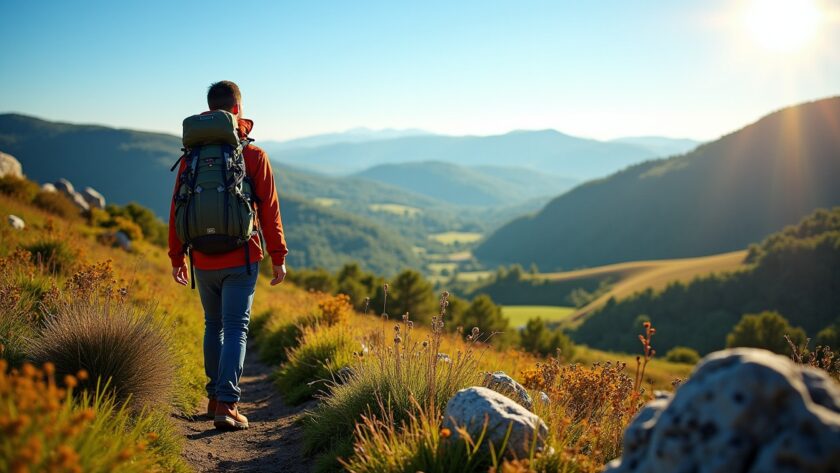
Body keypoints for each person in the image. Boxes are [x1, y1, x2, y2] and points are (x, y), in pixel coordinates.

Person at [168, 80, 288, 430]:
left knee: (214, 326)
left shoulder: (191, 157)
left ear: (209, 109)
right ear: (238, 110)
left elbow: (177, 209)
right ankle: (228, 404)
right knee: (236, 328)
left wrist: (177, 258)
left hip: (202, 259)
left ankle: (213, 399)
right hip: (242, 257)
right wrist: (278, 255)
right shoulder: (253, 155)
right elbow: (270, 211)